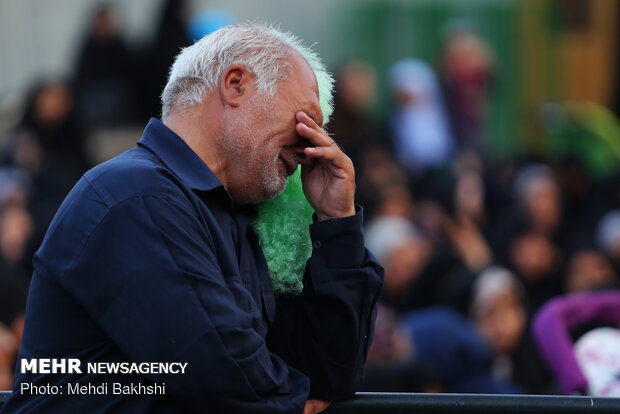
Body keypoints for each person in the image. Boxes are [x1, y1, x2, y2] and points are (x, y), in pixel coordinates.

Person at [2, 23, 383, 414]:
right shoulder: (137, 195)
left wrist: (337, 223)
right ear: (235, 84)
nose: (312, 145)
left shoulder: (229, 216)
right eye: (307, 118)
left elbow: (327, 377)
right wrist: (293, 401)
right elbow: (222, 375)